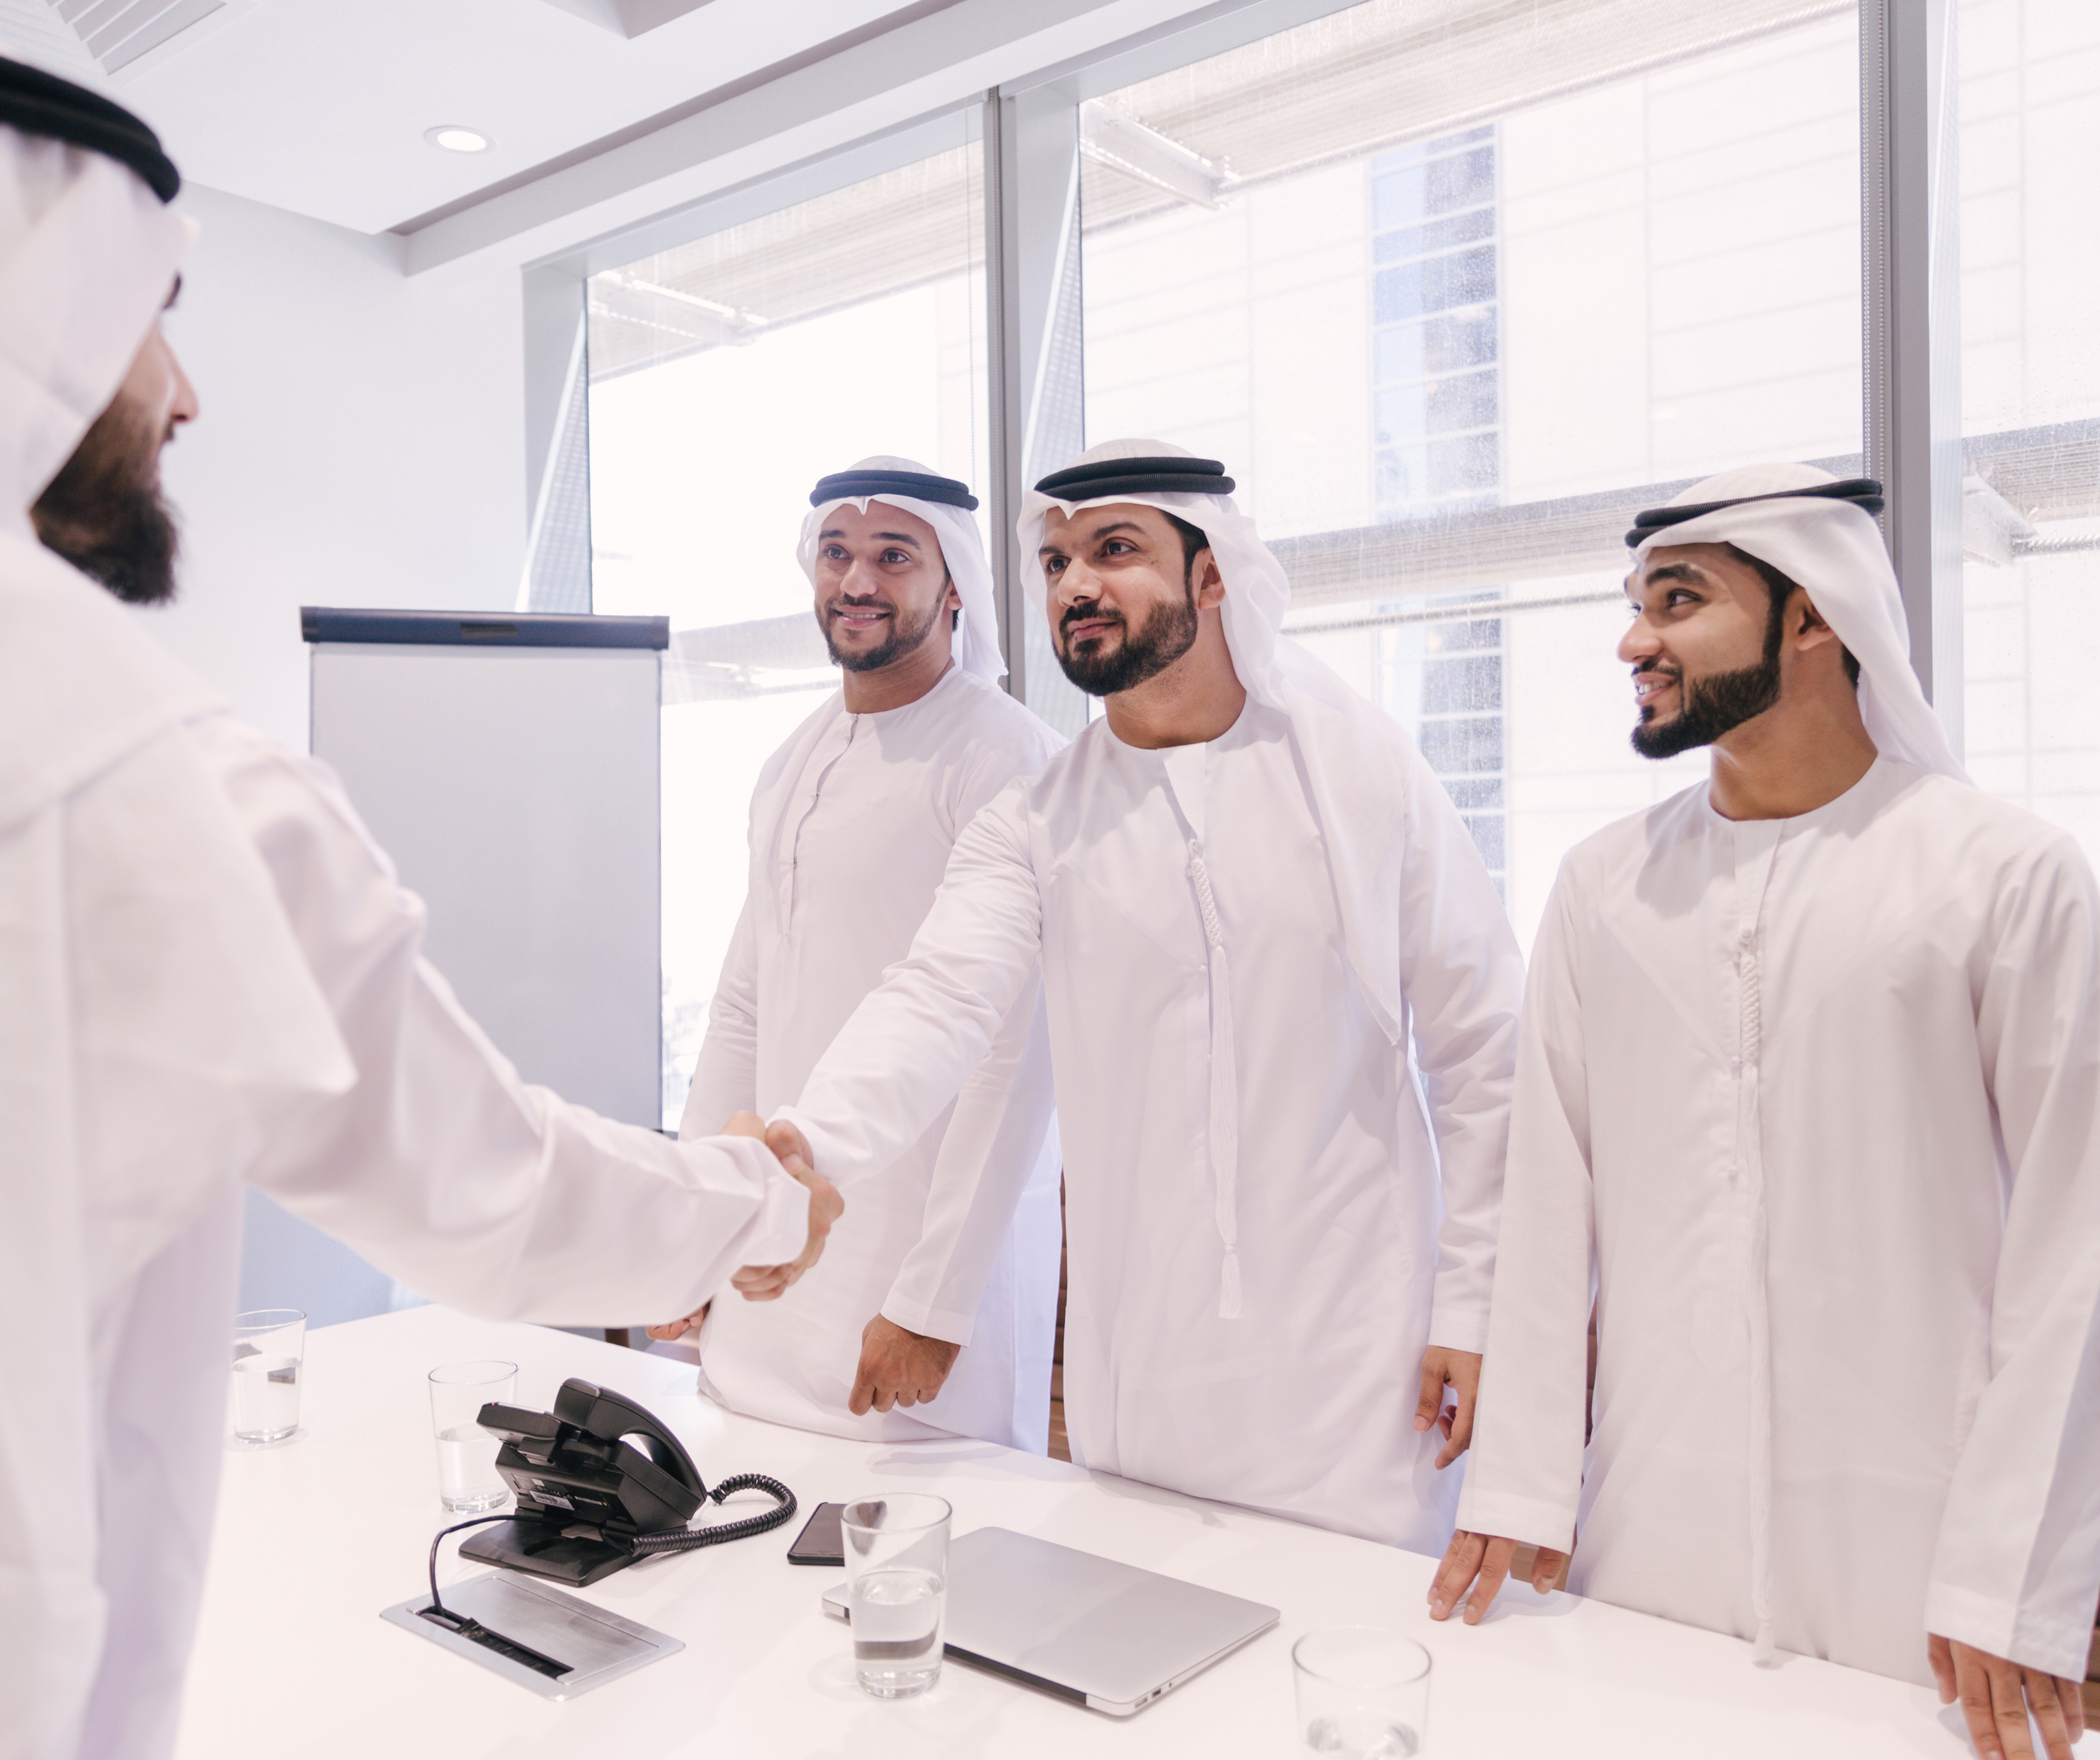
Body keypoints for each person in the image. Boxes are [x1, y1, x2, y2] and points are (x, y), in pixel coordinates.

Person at [0, 63, 838, 1760]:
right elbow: (492, 1189)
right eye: (155, 317)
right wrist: (757, 1203)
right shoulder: (132, 759)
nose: (184, 396)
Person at [1430, 464, 2100, 1760]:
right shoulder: (1602, 886)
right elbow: (1544, 1194)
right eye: (1633, 603)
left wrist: (2008, 1568)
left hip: (1913, 1531)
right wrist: (1519, 1481)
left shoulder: (2002, 874)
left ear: (1814, 617)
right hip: (1650, 1512)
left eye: (1677, 601)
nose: (1634, 639)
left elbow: (2075, 1238)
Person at [767, 438, 1523, 1547]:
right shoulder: (1038, 819)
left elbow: (1483, 1049)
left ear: (1213, 575)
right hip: (1143, 1389)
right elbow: (933, 1000)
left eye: (1113, 550)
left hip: (1362, 1376)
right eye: (1058, 560)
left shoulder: (1358, 771)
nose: (1075, 583)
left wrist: (1477, 1300)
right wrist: (808, 1143)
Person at [648, 460, 1063, 1449]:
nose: (856, 581)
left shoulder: (1010, 758)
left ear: (954, 580)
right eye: (835, 553)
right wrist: (693, 1232)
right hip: (775, 1249)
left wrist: (934, 1301)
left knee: (923, 1560)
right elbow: (744, 1003)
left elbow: (1015, 1052)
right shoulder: (792, 757)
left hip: (910, 1262)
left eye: (892, 556)